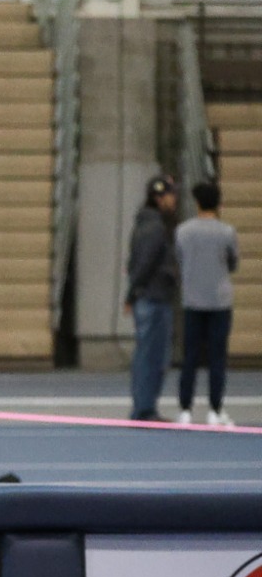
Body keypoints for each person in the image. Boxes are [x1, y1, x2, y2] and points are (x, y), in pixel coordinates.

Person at [176, 181, 239, 427]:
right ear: (218, 203)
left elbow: (180, 259)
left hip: (193, 299)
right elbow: (233, 263)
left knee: (190, 357)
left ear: (197, 202)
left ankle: (185, 409)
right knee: (217, 357)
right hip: (219, 301)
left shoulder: (183, 231)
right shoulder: (227, 232)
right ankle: (214, 409)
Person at [126, 174, 181, 422]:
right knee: (153, 357)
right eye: (170, 195)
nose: (174, 199)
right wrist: (132, 293)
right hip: (154, 298)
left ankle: (144, 406)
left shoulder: (145, 224)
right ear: (159, 197)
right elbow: (143, 264)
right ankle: (144, 408)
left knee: (148, 355)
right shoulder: (155, 228)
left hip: (151, 296)